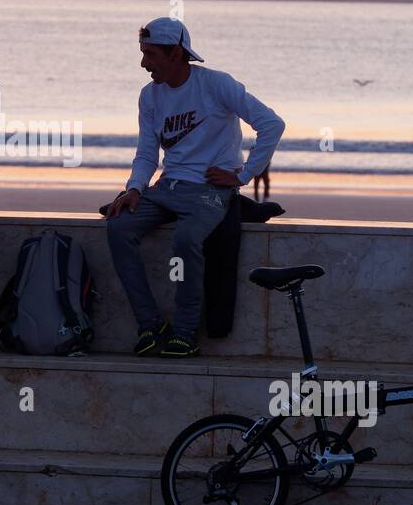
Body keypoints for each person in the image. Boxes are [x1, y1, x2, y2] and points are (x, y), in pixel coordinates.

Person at [104, 18, 285, 358]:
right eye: (142, 53)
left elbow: (272, 124)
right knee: (118, 226)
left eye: (150, 54)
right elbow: (147, 153)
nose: (143, 63)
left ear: (176, 54)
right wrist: (134, 188)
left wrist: (243, 175)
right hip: (166, 187)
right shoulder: (150, 96)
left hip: (209, 191)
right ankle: (150, 324)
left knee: (186, 239)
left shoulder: (216, 85)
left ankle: (185, 333)